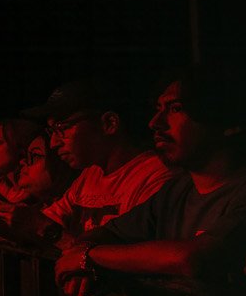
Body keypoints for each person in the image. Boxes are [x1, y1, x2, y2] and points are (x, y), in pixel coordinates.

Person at [56, 70, 246, 296]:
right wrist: (85, 258)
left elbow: (191, 259)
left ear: (227, 121)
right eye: (158, 110)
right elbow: (103, 235)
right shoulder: (177, 191)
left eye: (175, 109)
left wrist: (89, 258)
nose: (155, 123)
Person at [11, 80, 174, 241]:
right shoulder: (91, 175)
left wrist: (49, 231)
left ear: (109, 123)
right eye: (51, 131)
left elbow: (131, 258)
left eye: (62, 128)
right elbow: (44, 222)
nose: (53, 143)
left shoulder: (155, 177)